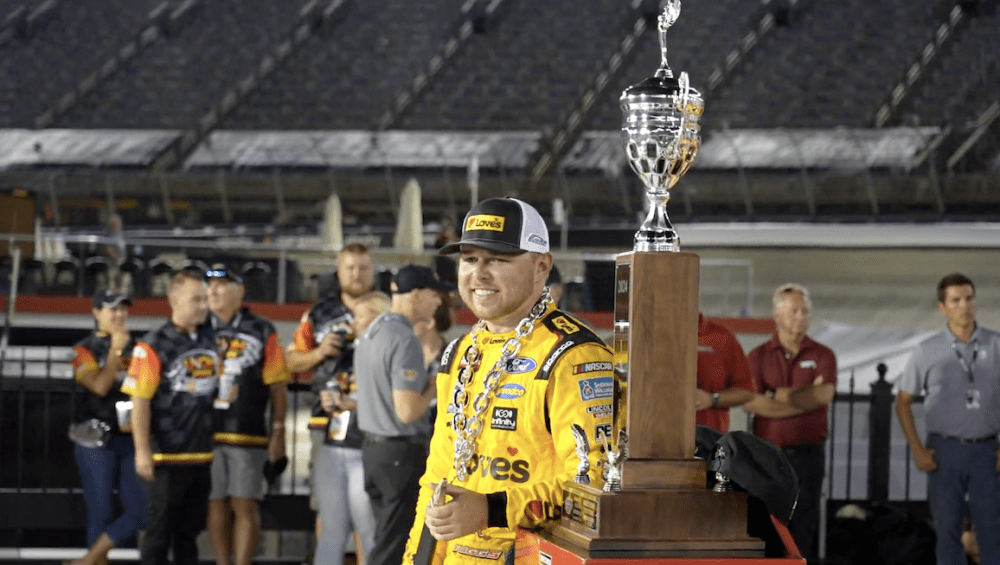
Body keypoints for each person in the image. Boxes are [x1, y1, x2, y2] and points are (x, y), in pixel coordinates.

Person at [402, 197, 615, 565]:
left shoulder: (574, 355)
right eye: (469, 259)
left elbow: (593, 488)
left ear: (541, 267)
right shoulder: (460, 353)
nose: (479, 274)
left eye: (498, 259)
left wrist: (492, 510)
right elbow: (436, 476)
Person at [895, 273, 1000, 565]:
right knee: (948, 532)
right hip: (944, 452)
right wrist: (917, 449)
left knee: (992, 532)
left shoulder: (996, 345)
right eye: (956, 300)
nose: (964, 306)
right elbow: (902, 402)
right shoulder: (926, 351)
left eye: (969, 298)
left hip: (987, 452)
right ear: (943, 307)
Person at [122, 270, 220, 565]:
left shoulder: (211, 339)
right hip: (165, 456)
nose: (203, 306)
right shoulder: (152, 344)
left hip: (201, 454)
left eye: (205, 299)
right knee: (159, 533)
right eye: (196, 300)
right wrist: (142, 451)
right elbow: (139, 400)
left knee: (188, 535)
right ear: (174, 301)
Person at [355, 264, 451, 565]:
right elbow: (408, 412)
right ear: (418, 295)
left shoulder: (373, 330)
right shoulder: (405, 339)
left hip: (372, 450)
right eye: (434, 295)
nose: (438, 303)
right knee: (392, 547)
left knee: (383, 537)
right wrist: (436, 385)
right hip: (399, 456)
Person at [287, 243, 375, 554]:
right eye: (350, 267)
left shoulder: (386, 310)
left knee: (370, 513)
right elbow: (291, 361)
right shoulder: (318, 312)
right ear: (338, 272)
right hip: (326, 421)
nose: (357, 274)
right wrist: (320, 352)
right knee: (327, 506)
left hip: (374, 423)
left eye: (363, 267)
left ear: (372, 270)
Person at [742, 283, 836, 565]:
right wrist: (802, 400)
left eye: (805, 312)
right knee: (767, 523)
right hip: (768, 456)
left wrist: (777, 397)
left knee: (804, 523)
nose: (801, 317)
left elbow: (824, 394)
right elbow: (749, 402)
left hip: (809, 455)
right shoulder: (758, 356)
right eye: (794, 311)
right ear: (777, 314)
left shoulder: (823, 355)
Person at [204, 265, 291, 565]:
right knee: (214, 505)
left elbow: (279, 386)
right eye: (209, 285)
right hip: (205, 433)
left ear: (240, 291)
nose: (213, 291)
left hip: (248, 432)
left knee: (245, 504)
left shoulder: (262, 329)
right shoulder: (198, 327)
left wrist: (278, 432)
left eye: (222, 285)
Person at [68, 289, 147, 565]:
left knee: (141, 510)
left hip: (129, 436)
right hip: (93, 435)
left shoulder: (140, 347)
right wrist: (115, 350)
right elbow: (99, 386)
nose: (119, 315)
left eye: (123, 309)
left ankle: (88, 559)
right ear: (96, 313)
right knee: (100, 510)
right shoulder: (83, 349)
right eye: (112, 309)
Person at [314, 290, 390, 565]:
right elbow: (322, 382)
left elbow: (397, 406)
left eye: (359, 317)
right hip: (334, 444)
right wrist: (328, 398)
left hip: (366, 450)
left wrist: (354, 405)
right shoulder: (344, 353)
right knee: (331, 531)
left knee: (368, 530)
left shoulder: (390, 352)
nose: (353, 323)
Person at [695, 313, 756, 432]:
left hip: (711, 440)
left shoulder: (722, 337)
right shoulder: (655, 334)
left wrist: (711, 399)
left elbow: (746, 392)